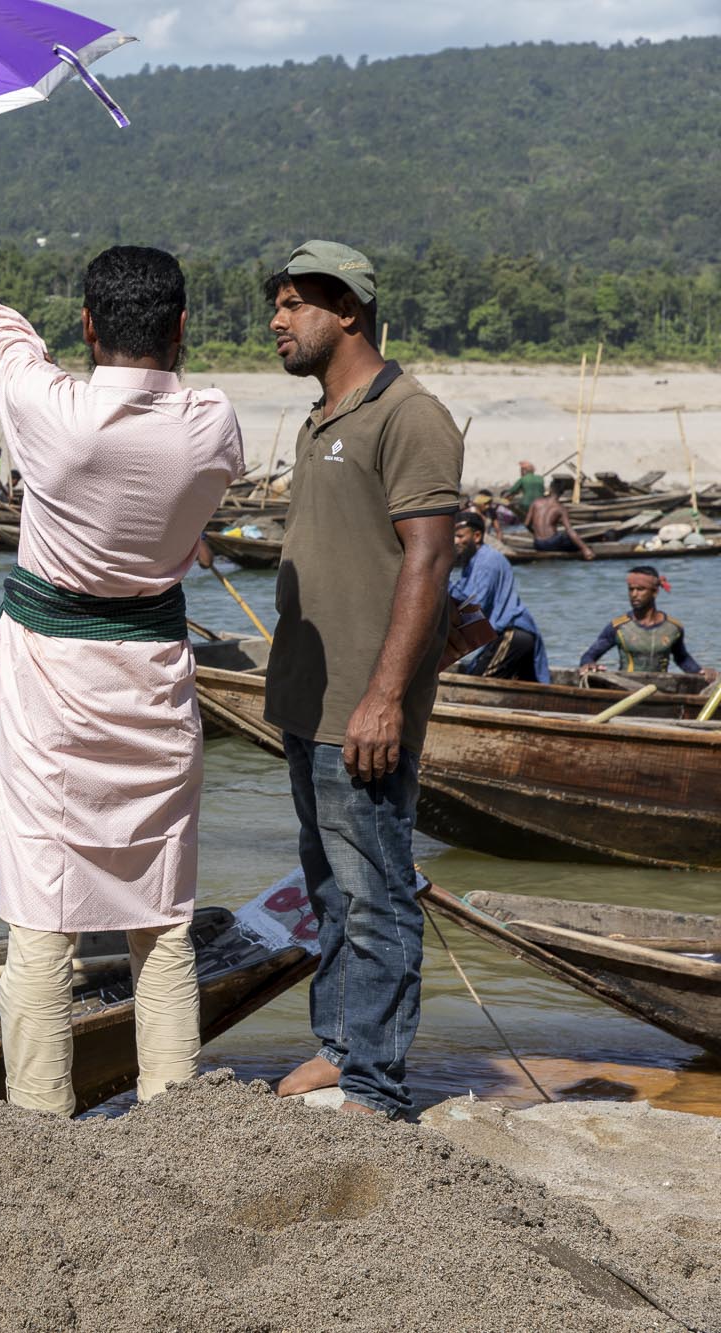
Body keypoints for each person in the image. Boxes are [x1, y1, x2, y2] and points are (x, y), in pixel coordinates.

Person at [0, 202, 244, 1119]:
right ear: (182, 330)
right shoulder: (213, 424)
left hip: (51, 686)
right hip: (154, 682)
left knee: (41, 927)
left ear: (89, 328)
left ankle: (41, 1122)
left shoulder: (49, 413)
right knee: (162, 919)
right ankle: (175, 1111)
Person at [259, 240, 463, 1119]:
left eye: (294, 304)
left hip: (363, 712)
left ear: (348, 310)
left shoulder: (409, 415)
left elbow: (429, 563)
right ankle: (340, 1046)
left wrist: (384, 697)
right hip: (308, 704)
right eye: (277, 304)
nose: (277, 321)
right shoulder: (320, 419)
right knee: (329, 892)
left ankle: (375, 1083)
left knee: (377, 896)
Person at [448, 513, 547, 681]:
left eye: (459, 536)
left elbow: (474, 608)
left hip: (511, 635)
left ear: (477, 536)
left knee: (477, 683)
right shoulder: (473, 562)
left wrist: (443, 582)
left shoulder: (486, 562)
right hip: (514, 636)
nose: (455, 542)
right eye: (453, 537)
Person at [580, 566, 717, 679]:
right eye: (631, 589)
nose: (634, 594)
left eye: (640, 589)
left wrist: (701, 672)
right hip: (625, 688)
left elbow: (681, 658)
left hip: (661, 689)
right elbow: (589, 655)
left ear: (655, 592)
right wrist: (589, 664)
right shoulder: (619, 627)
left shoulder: (673, 628)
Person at [524, 490, 594, 557]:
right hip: (552, 543)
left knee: (564, 538)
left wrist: (535, 533)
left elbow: (527, 524)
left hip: (538, 544)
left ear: (550, 491)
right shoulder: (560, 508)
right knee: (573, 541)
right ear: (561, 493)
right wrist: (585, 548)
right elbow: (569, 530)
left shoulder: (536, 502)